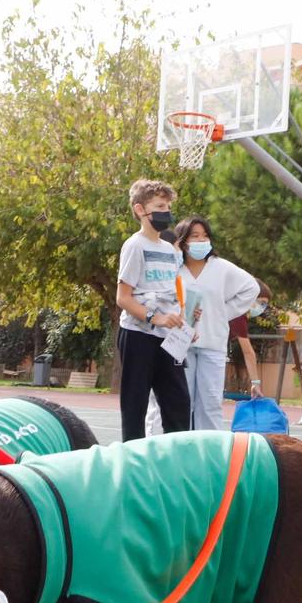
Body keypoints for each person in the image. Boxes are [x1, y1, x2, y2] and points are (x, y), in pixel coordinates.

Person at [115, 179, 190, 441]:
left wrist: (182, 323)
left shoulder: (169, 250)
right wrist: (154, 317)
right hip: (138, 335)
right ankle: (132, 462)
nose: (166, 211)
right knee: (135, 403)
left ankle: (178, 459)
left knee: (179, 403)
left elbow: (170, 293)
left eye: (168, 205)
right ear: (140, 210)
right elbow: (123, 298)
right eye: (159, 205)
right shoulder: (134, 246)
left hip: (167, 339)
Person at [173, 215, 261, 431]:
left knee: (210, 403)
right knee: (181, 402)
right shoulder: (174, 269)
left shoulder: (221, 268)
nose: (201, 241)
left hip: (212, 344)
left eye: (205, 236)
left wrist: (222, 312)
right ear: (183, 241)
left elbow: (252, 288)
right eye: (195, 236)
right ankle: (180, 450)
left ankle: (209, 451)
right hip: (180, 344)